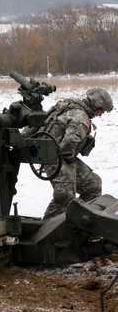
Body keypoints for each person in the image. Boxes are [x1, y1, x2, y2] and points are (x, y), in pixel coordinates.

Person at [41, 87, 113, 220]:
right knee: (65, 195)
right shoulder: (81, 118)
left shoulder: (69, 104)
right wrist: (70, 168)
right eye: (101, 110)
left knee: (93, 185)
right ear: (95, 103)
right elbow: (68, 145)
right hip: (55, 157)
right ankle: (47, 228)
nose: (101, 114)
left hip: (63, 156)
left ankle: (80, 222)